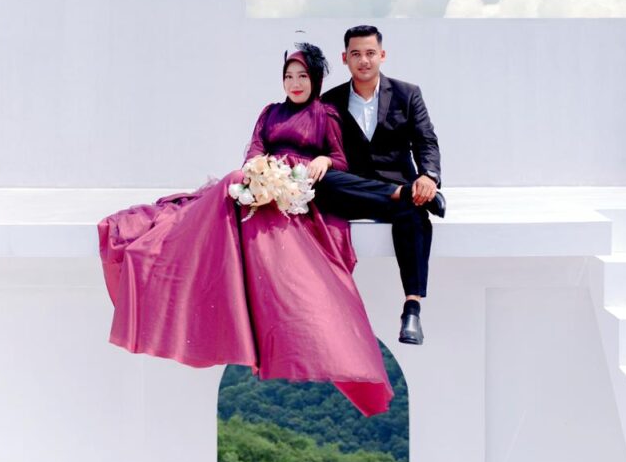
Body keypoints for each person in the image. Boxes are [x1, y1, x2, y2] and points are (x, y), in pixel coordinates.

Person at [98, 43, 393, 418]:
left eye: (302, 76)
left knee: (245, 196)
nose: (295, 83)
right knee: (235, 179)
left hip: (298, 189)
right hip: (264, 182)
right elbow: (255, 149)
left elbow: (339, 159)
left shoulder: (326, 114)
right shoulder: (270, 113)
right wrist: (260, 171)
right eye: (288, 76)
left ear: (316, 79)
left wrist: (321, 161)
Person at [318, 25, 442, 346]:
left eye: (370, 53)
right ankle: (405, 195)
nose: (364, 60)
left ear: (382, 55)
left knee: (413, 213)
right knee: (324, 183)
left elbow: (426, 141)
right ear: (344, 58)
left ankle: (412, 309)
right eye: (356, 54)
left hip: (398, 191)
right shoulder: (329, 102)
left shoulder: (407, 93)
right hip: (355, 193)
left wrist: (428, 176)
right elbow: (325, 150)